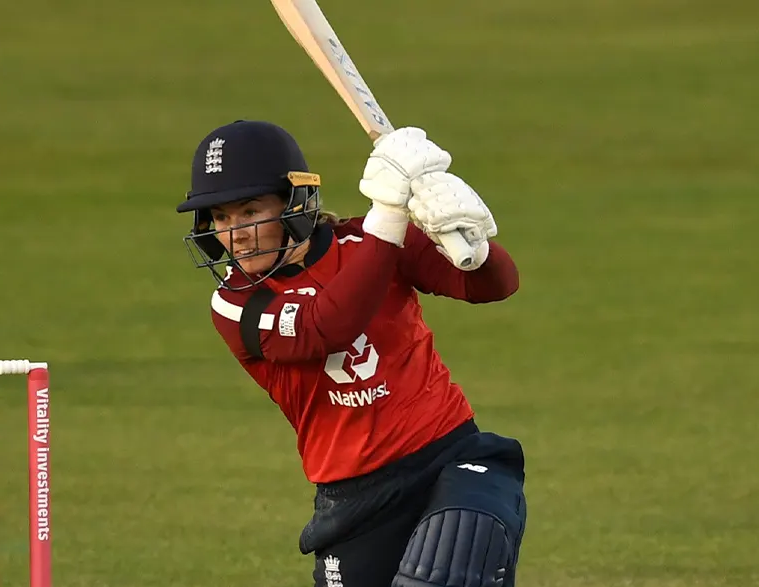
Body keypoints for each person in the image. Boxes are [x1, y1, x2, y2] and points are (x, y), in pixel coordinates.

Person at [177, 120, 527, 587]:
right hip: (356, 500)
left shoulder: (368, 242)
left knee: (453, 556)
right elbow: (329, 325)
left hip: (451, 459)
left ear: (294, 203)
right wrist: (389, 213)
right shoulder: (236, 303)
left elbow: (493, 286)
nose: (235, 232)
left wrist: (471, 241)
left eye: (249, 211)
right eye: (220, 218)